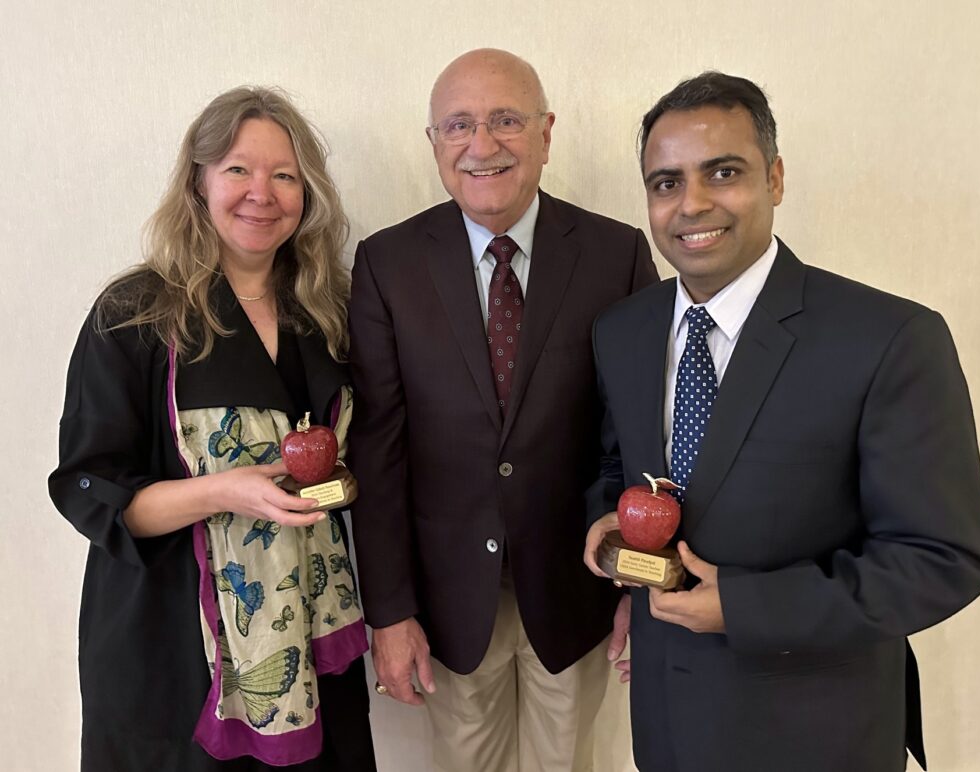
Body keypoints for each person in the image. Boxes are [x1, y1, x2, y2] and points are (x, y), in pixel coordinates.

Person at [583, 71, 980, 772]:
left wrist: (749, 607)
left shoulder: (889, 337)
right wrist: (606, 521)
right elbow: (621, 467)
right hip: (664, 724)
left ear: (775, 178)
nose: (694, 204)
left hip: (817, 734)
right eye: (666, 182)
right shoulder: (623, 331)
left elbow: (944, 560)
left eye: (724, 172)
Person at [347, 48, 658, 771]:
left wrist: (638, 585)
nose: (481, 145)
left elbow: (640, 434)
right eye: (458, 125)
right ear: (434, 144)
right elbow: (379, 447)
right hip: (448, 598)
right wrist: (389, 611)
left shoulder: (617, 255)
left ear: (546, 133)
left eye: (505, 121)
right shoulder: (387, 265)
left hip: (576, 590)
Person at [49, 87, 376, 771]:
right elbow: (91, 489)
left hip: (309, 625)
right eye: (237, 170)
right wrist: (224, 491)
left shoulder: (326, 311)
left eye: (284, 175)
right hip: (176, 642)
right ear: (198, 182)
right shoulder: (136, 314)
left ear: (306, 192)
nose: (262, 192)